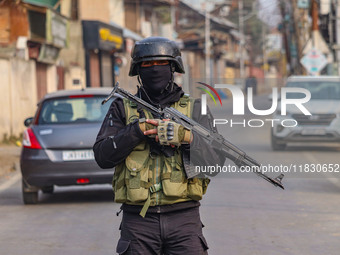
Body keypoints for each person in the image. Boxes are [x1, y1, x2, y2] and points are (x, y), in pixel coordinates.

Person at [93, 37, 223, 255]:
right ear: (138, 70)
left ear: (173, 67)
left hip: (185, 220)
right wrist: (136, 131)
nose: (154, 70)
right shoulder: (122, 109)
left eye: (161, 63)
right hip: (138, 223)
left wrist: (187, 138)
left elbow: (215, 164)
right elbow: (102, 156)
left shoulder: (195, 109)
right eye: (146, 64)